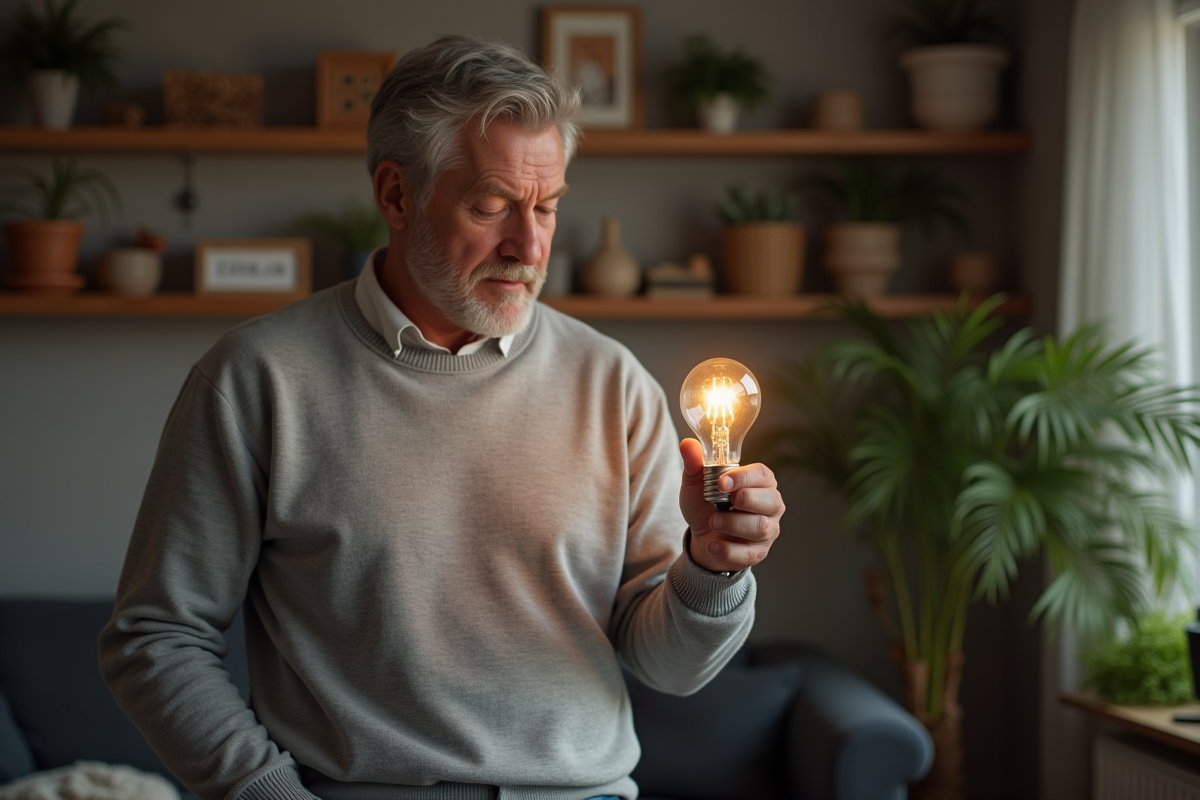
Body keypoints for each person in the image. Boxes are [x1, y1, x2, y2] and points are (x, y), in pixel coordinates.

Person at [99, 35, 785, 800]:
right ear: (396, 195)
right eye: (492, 206)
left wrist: (714, 566)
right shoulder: (258, 380)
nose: (529, 245)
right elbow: (156, 638)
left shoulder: (611, 383)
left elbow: (672, 667)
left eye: (547, 207)